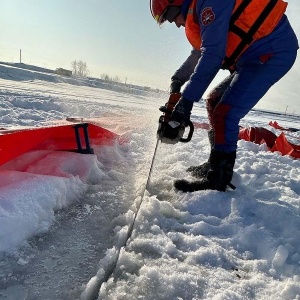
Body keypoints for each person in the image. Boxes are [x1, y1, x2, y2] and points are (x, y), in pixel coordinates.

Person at [150, 0, 299, 192]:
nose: (176, 23)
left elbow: (213, 55)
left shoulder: (210, 4)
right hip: (250, 58)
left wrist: (186, 102)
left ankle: (218, 178)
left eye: (170, 16)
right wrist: (178, 80)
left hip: (272, 53)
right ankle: (215, 163)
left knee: (226, 112)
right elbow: (200, 52)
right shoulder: (200, 10)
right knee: (214, 100)